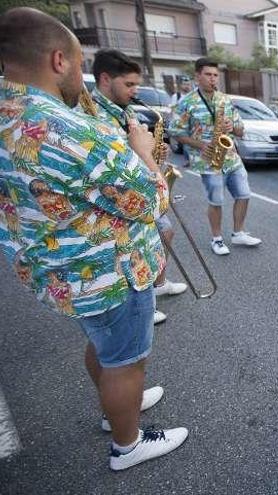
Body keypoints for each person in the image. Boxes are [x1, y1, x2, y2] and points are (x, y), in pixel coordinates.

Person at [0, 7, 188, 470]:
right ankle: (127, 444)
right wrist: (143, 152)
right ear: (59, 60)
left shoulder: (8, 112)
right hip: (108, 271)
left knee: (105, 347)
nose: (82, 74)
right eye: (81, 63)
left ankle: (117, 407)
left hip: (60, 271)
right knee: (126, 359)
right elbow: (149, 201)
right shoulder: (67, 125)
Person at [89, 49, 188, 325]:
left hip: (144, 183)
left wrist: (156, 150)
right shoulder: (95, 116)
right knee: (135, 247)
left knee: (165, 232)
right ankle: (145, 301)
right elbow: (114, 165)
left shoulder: (126, 109)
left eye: (136, 85)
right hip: (123, 196)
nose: (134, 90)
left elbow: (136, 144)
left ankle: (158, 282)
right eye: (129, 84)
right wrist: (143, 155)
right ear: (106, 79)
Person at [167, 58, 262, 255]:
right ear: (197, 76)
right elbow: (176, 132)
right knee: (216, 201)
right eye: (208, 75)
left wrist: (232, 127)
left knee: (244, 195)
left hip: (230, 157)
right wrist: (201, 144)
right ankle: (217, 239)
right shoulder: (186, 103)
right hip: (208, 160)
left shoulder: (225, 99)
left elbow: (241, 130)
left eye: (215, 75)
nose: (213, 79)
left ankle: (238, 233)